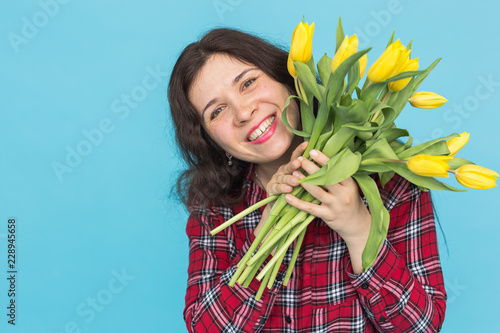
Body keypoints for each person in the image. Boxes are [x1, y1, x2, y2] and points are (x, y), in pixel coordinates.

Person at [168, 28, 447, 332]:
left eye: (248, 83)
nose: (244, 112)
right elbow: (204, 328)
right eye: (217, 111)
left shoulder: (391, 177)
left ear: (288, 79)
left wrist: (359, 229)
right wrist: (266, 234)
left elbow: (422, 326)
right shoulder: (214, 207)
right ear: (209, 140)